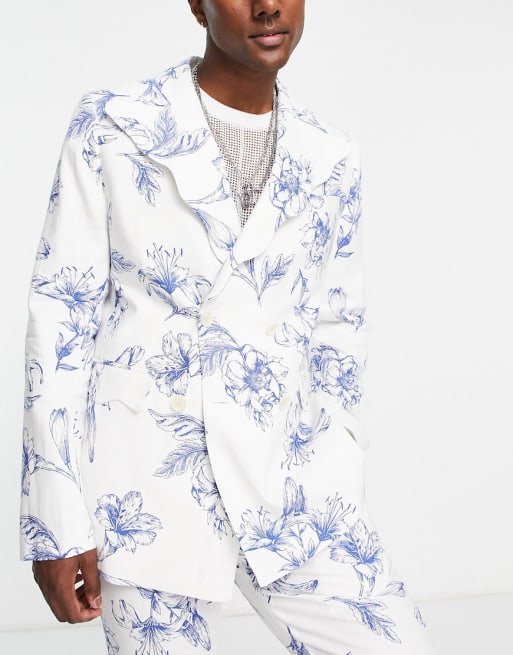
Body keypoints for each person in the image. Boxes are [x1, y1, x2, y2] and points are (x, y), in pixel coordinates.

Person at [21, 1, 436, 653]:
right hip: (145, 486)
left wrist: (338, 460)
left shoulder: (330, 153)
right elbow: (61, 315)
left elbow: (338, 325)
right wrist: (55, 518)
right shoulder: (114, 122)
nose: (267, 5)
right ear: (197, 4)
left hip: (288, 485)